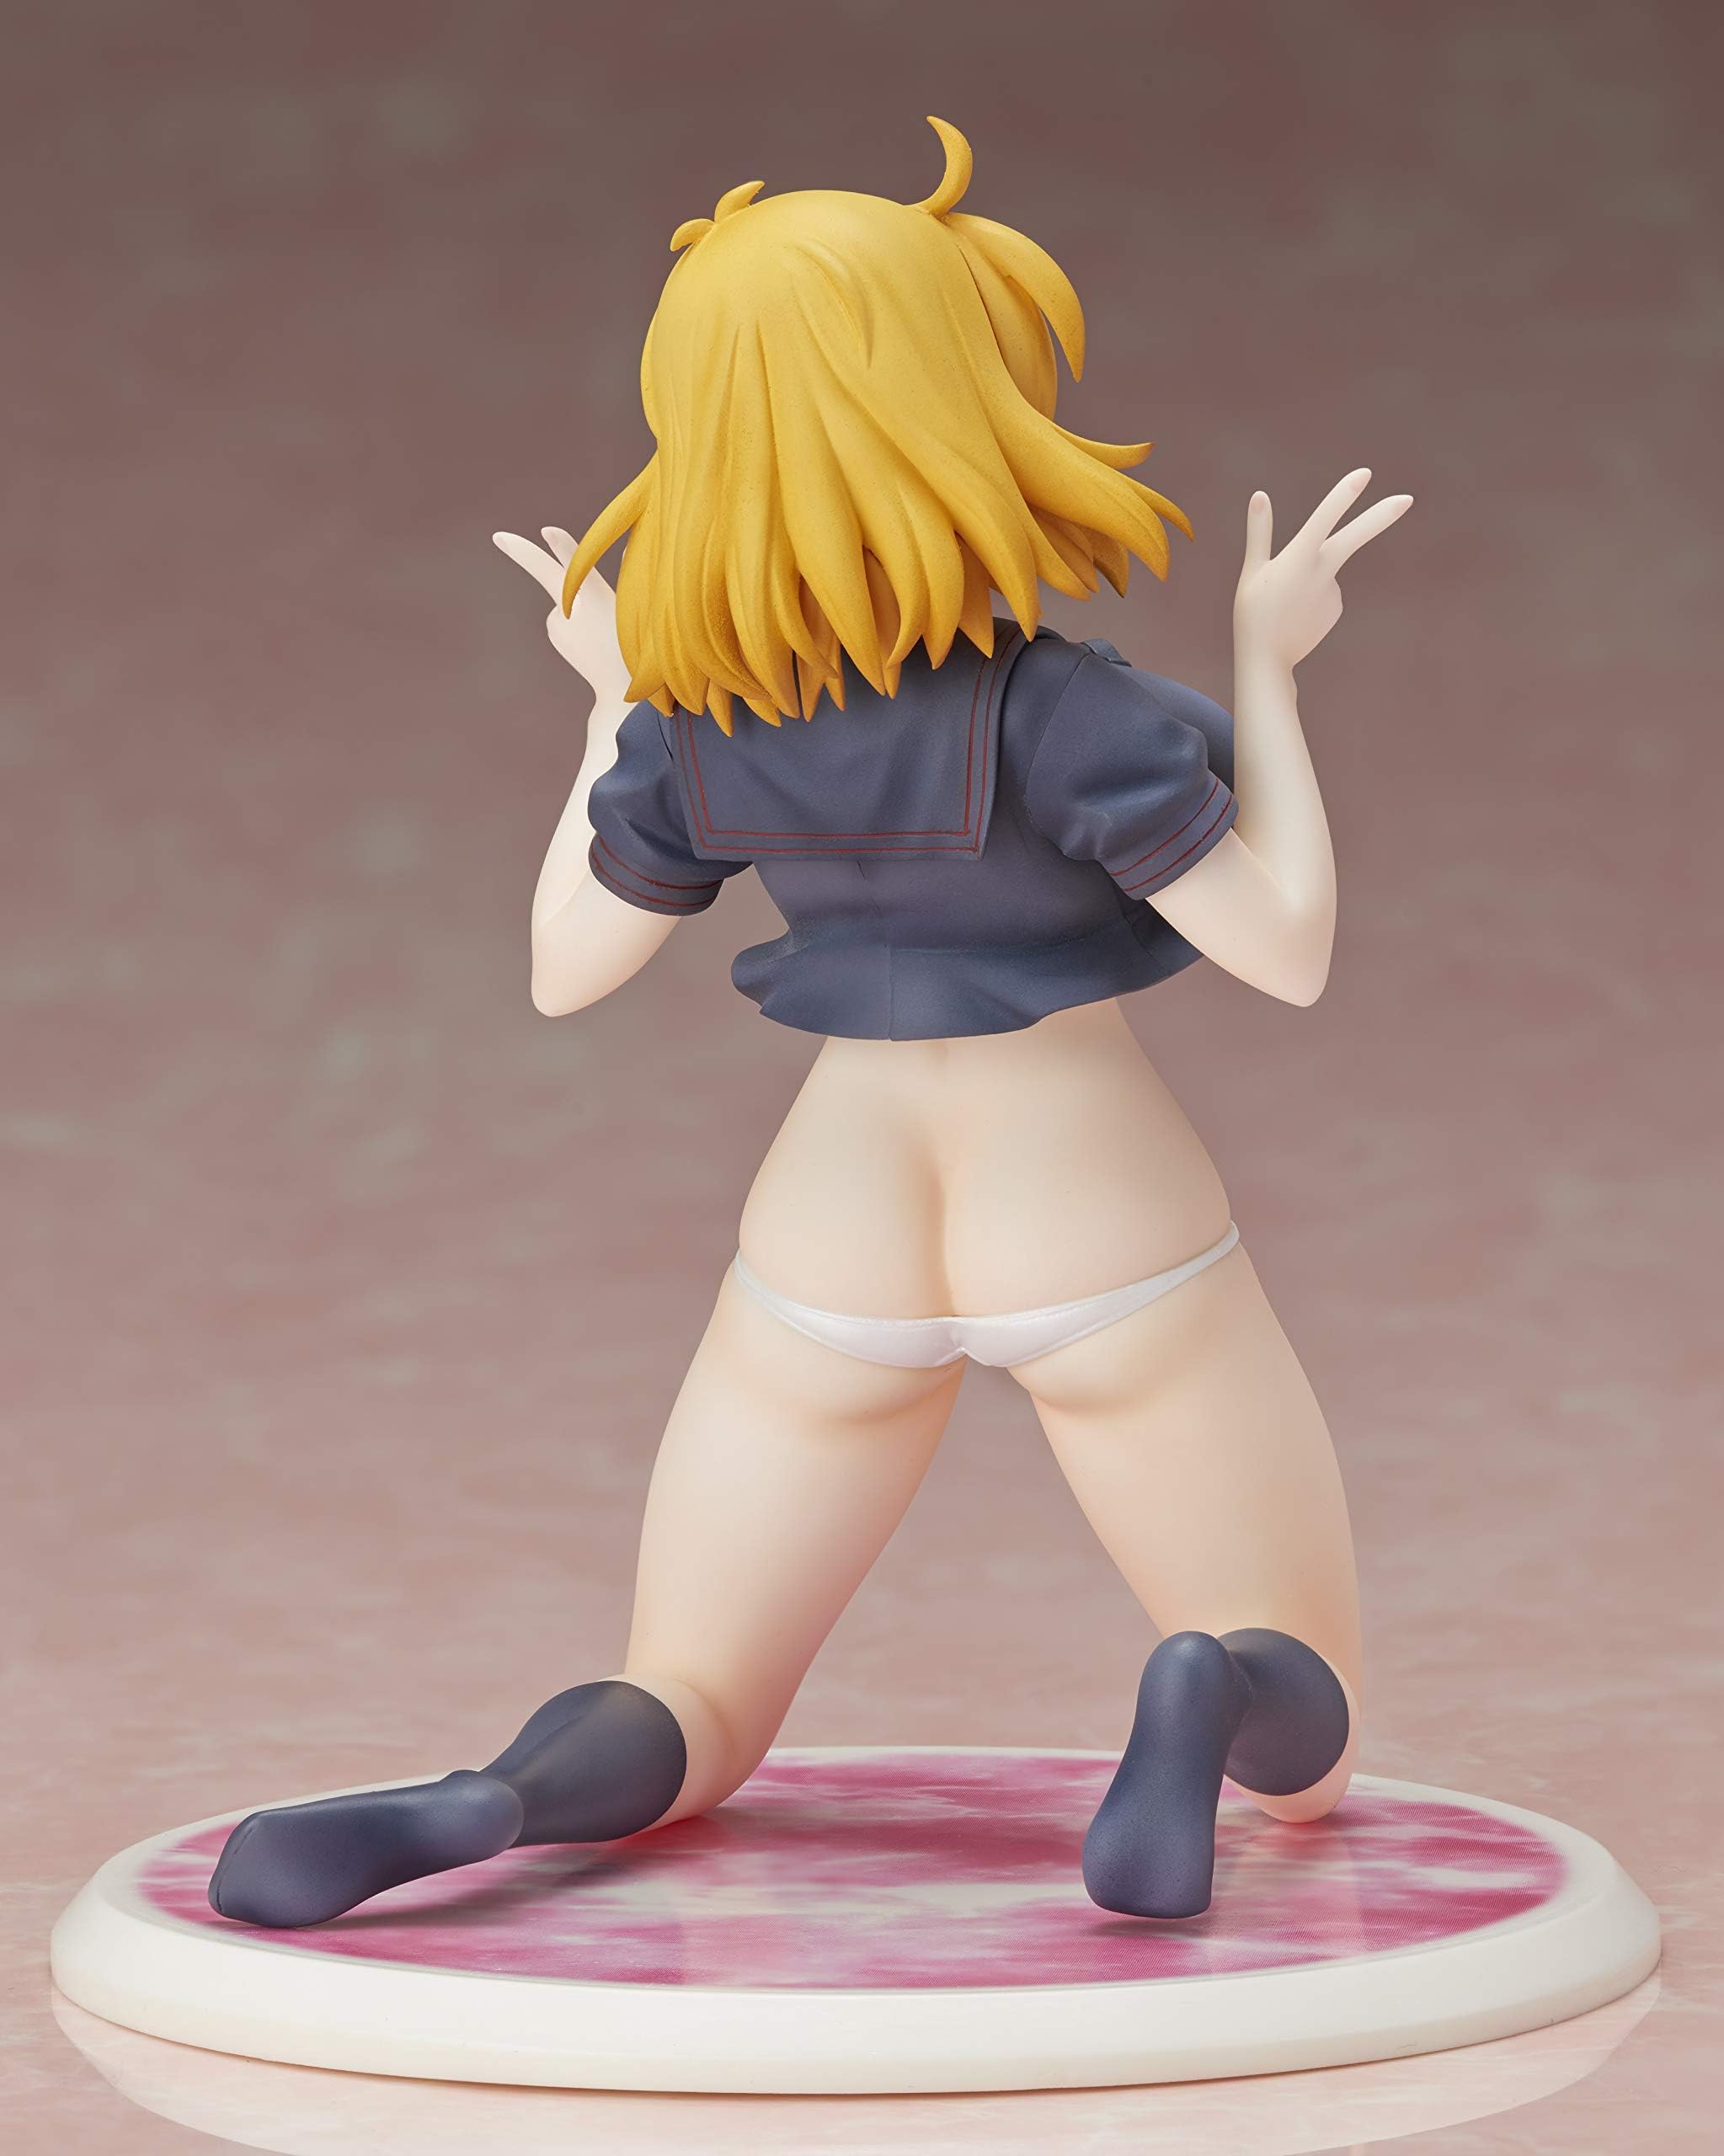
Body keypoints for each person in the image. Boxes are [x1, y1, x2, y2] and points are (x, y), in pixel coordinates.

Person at [209, 117, 1410, 1930]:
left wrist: (610, 706)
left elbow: (564, 968)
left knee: (692, 1694)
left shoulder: (702, 728)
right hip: (1086, 1203)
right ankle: (1204, 1692)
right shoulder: (1066, 710)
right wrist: (1270, 663)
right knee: (1307, 1745)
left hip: (831, 1222)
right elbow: (1289, 948)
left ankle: (496, 1794)